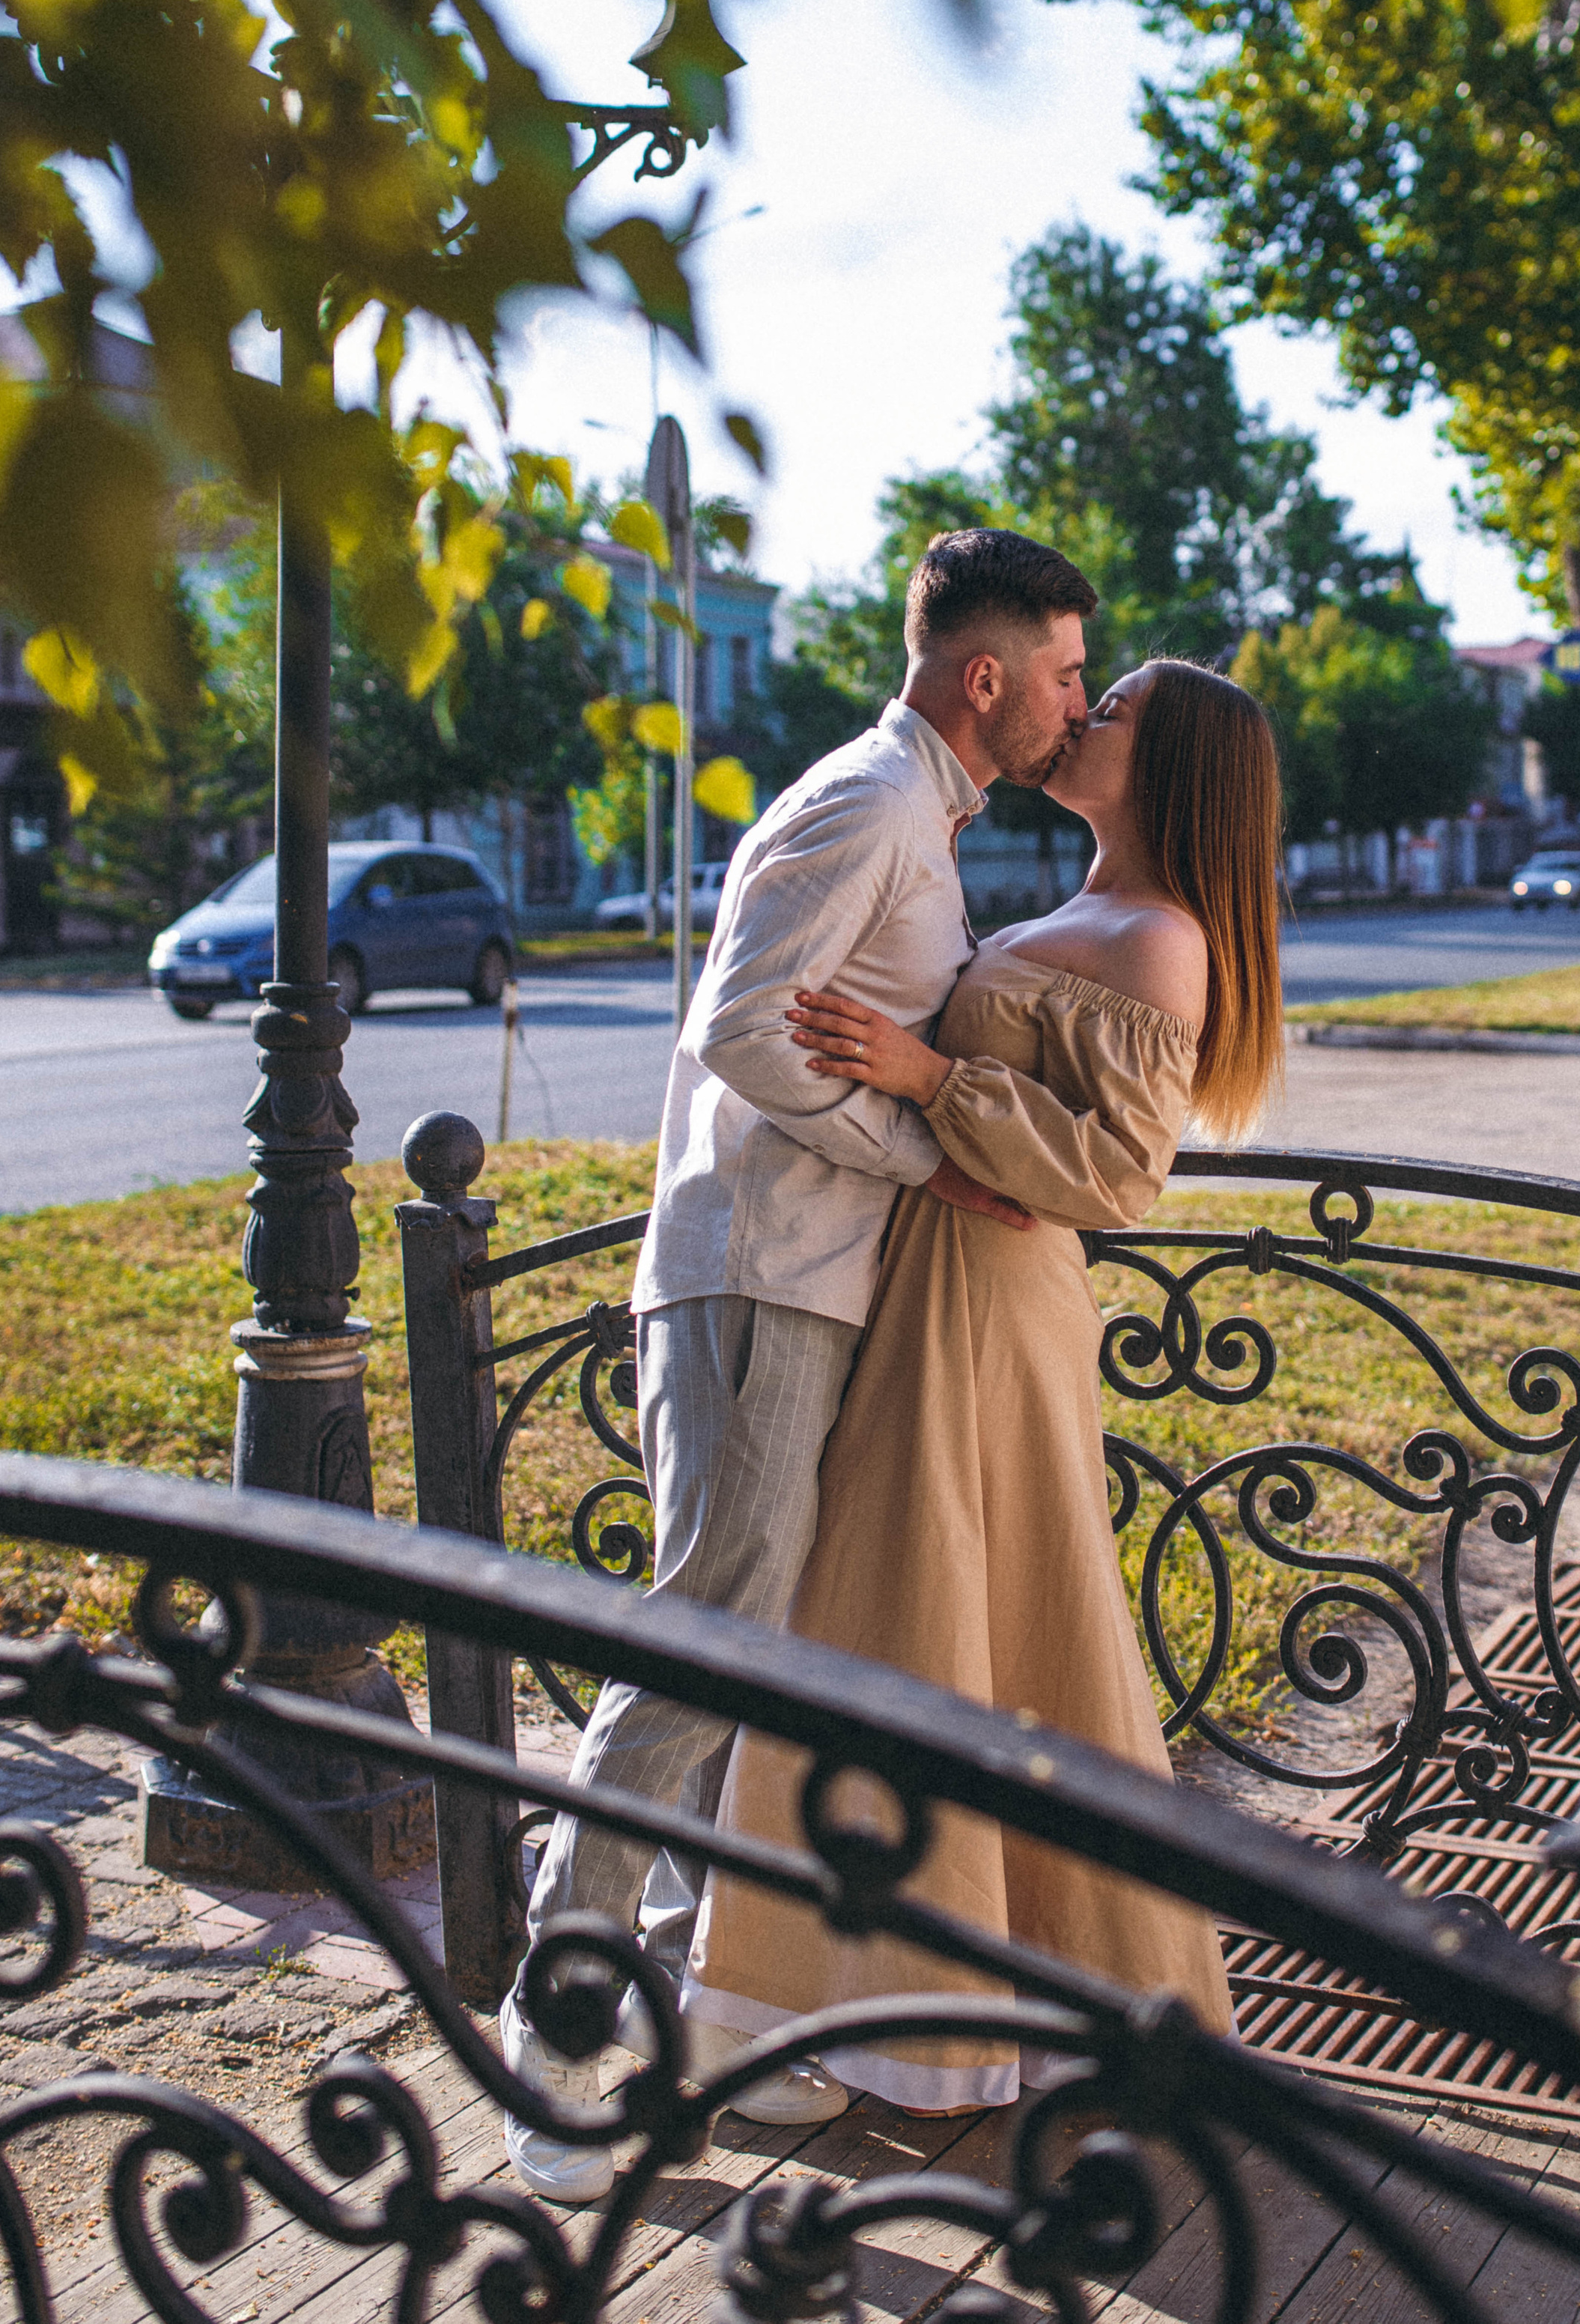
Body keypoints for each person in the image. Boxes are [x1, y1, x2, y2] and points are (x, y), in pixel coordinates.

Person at [500, 527, 1099, 2204]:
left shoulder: (918, 809)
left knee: (751, 1658)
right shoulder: (868, 804)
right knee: (701, 1644)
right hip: (757, 1278)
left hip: (809, 1287)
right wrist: (925, 1154)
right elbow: (738, 1026)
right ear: (983, 677)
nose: (1075, 701)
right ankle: (555, 2032)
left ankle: (694, 2026)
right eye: (1060, 673)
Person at [679, 658, 1283, 2114]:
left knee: (921, 1617)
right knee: (929, 1622)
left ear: (1174, 768)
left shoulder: (1155, 939)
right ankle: (867, 2002)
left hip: (988, 1300)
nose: (1082, 718)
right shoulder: (1091, 907)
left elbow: (1115, 1174)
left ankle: (829, 2012)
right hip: (932, 1279)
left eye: (1114, 708)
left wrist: (921, 1073)